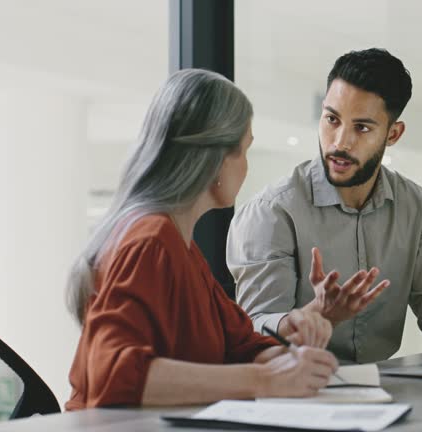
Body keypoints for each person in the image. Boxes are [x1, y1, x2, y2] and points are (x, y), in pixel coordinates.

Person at [64, 69, 336, 410]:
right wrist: (266, 379)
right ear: (215, 159)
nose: (246, 168)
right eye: (244, 151)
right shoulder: (150, 240)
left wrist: (290, 348)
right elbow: (114, 376)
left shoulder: (183, 248)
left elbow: (240, 347)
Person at [227, 48, 422, 364]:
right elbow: (254, 331)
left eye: (361, 127)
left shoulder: (411, 205)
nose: (340, 142)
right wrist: (310, 318)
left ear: (393, 134)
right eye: (331, 119)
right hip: (296, 390)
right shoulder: (274, 211)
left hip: (382, 385)